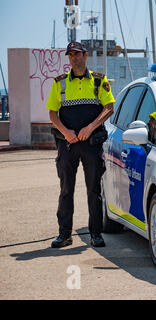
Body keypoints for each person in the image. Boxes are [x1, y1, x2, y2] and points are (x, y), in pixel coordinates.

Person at [46, 42, 115, 248]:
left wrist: (90, 128)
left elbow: (109, 107)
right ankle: (64, 234)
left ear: (85, 56)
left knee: (94, 190)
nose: (74, 58)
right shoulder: (59, 83)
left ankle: (95, 234)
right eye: (70, 55)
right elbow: (52, 112)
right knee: (66, 190)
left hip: (91, 145)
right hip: (67, 145)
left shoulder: (99, 80)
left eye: (77, 54)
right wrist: (66, 132)